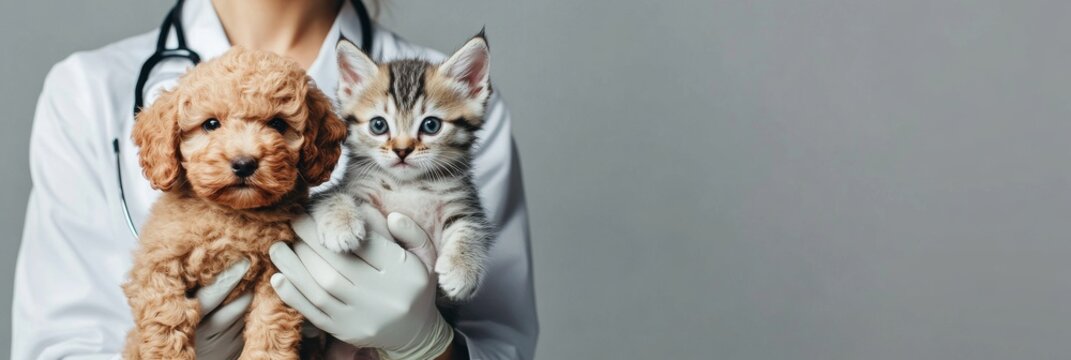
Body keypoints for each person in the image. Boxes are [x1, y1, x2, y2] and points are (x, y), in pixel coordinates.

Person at [11, 0, 538, 359]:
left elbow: (503, 340)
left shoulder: (447, 96)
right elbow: (57, 341)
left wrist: (426, 345)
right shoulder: (86, 89)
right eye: (210, 125)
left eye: (280, 126)